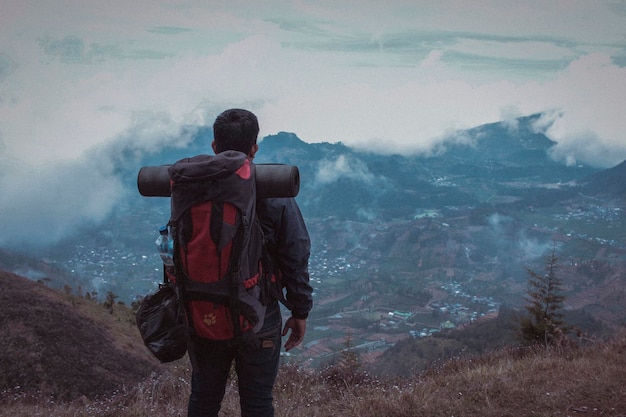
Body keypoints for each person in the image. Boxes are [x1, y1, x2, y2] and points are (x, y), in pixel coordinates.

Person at [186, 108, 313, 417]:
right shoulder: (273, 190)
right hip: (258, 314)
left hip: (204, 311)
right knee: (257, 403)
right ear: (255, 148)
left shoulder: (192, 188)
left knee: (203, 399)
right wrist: (299, 311)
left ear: (214, 146)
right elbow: (295, 253)